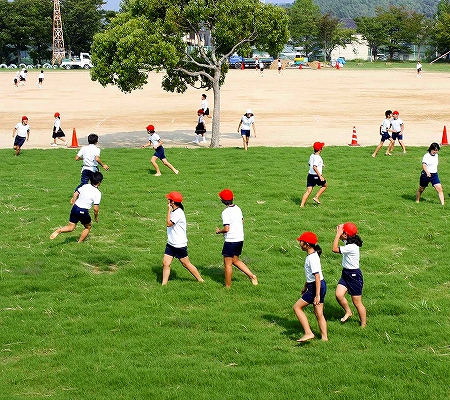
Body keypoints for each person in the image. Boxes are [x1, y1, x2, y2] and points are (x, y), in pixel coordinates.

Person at [215, 189, 258, 288]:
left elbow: (226, 228)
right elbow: (242, 221)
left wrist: (219, 231)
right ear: (232, 198)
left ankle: (227, 287)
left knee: (228, 264)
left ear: (222, 200)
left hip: (231, 240)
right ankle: (252, 276)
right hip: (240, 238)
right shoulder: (238, 208)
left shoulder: (225, 212)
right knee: (235, 260)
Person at [162, 191, 204, 285]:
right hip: (171, 243)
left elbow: (169, 224)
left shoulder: (178, 213)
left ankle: (200, 280)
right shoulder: (175, 211)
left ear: (172, 202)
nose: (167, 201)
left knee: (186, 264)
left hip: (179, 244)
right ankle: (163, 285)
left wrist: (168, 210)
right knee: (165, 263)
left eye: (169, 199)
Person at [293, 231, 328, 342]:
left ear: (307, 244)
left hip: (316, 287)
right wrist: (305, 286)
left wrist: (316, 295)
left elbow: (316, 276)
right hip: (320, 285)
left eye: (301, 242)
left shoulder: (311, 258)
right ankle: (324, 338)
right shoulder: (313, 256)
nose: (300, 243)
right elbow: (312, 276)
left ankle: (308, 333)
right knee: (319, 313)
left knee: (297, 307)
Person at [50, 172, 104, 243]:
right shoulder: (97, 193)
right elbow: (95, 209)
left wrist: (73, 203)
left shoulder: (85, 186)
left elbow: (75, 193)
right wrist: (96, 217)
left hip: (75, 208)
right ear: (99, 182)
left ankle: (59, 230)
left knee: (71, 227)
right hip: (83, 211)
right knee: (88, 227)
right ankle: (80, 242)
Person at [332, 222, 367, 327]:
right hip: (346, 273)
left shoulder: (351, 247)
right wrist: (340, 228)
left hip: (354, 276)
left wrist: (338, 235)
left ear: (346, 235)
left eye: (342, 232)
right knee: (339, 295)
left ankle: (363, 324)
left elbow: (334, 249)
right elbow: (343, 231)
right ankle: (348, 311)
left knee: (357, 303)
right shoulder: (349, 241)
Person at [300, 142, 327, 207]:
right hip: (316, 176)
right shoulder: (318, 157)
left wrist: (321, 165)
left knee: (308, 191)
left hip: (310, 175)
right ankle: (316, 197)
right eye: (322, 147)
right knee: (324, 186)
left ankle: (301, 205)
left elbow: (310, 164)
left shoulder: (312, 155)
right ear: (320, 149)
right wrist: (320, 176)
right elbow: (314, 166)